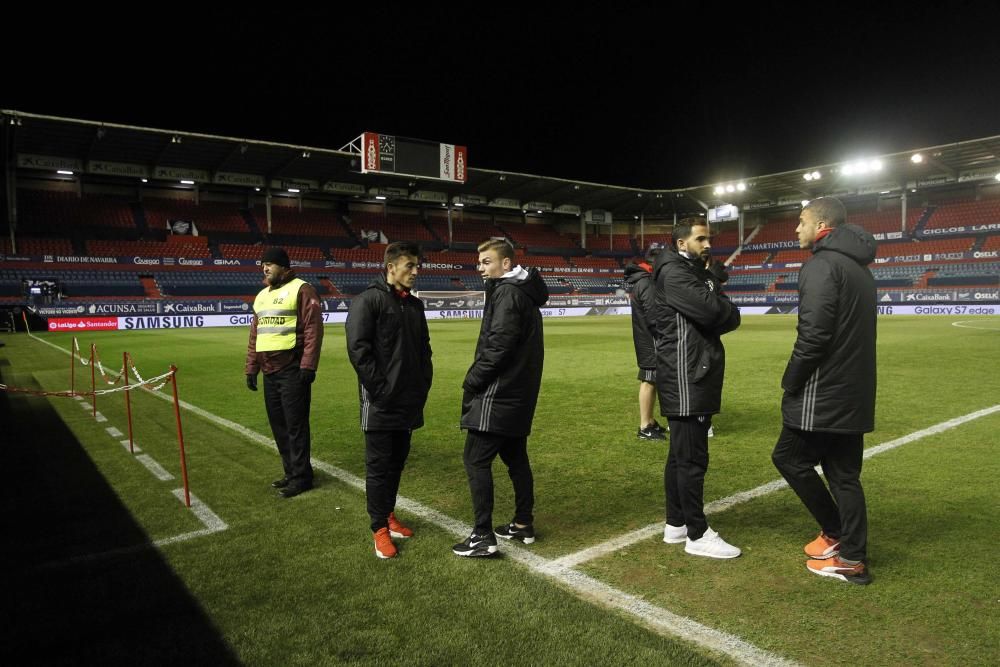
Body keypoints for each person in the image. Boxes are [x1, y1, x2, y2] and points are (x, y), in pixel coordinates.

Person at [771, 197, 877, 585]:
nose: (796, 229)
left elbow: (813, 335)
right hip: (853, 391)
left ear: (821, 225)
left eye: (801, 222)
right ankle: (847, 549)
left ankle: (841, 541)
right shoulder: (860, 269)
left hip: (824, 391)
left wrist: (791, 380)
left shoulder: (821, 265)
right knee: (844, 474)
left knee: (789, 458)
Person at [453, 238, 548, 557]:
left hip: (499, 393)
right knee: (515, 458)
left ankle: (482, 535)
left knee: (475, 459)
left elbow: (499, 347)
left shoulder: (507, 293)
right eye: (479, 262)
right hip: (518, 394)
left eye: (487, 261)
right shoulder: (519, 291)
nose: (481, 267)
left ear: (506, 264)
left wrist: (472, 380)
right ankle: (523, 525)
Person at [653, 221, 741, 558]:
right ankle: (697, 533)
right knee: (692, 458)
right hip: (687, 372)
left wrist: (713, 288)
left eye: (709, 238)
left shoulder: (688, 271)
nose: (707, 244)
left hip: (690, 368)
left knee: (679, 455)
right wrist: (721, 301)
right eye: (700, 238)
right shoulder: (676, 274)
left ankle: (676, 524)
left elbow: (717, 309)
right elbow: (715, 312)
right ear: (681, 242)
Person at [346, 241, 433, 559]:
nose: (415, 272)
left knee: (397, 463)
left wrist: (423, 385)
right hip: (380, 401)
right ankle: (378, 528)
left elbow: (424, 349)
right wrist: (380, 390)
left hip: (409, 401)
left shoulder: (414, 305)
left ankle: (389, 515)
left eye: (417, 266)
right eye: (410, 265)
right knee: (379, 466)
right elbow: (358, 351)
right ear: (391, 267)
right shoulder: (368, 301)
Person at [245, 247, 323, 498]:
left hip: (293, 369)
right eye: (263, 265)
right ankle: (291, 472)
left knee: (295, 425)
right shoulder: (261, 296)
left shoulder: (302, 289)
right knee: (279, 425)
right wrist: (251, 368)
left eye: (270, 264)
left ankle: (302, 478)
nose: (265, 269)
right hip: (269, 370)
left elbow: (313, 329)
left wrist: (308, 365)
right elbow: (255, 335)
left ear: (284, 266)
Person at [624, 244, 666, 440]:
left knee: (651, 380)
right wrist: (664, 335)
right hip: (651, 341)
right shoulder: (647, 282)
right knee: (649, 380)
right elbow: (653, 316)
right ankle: (644, 426)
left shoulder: (642, 280)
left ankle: (649, 421)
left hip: (646, 339)